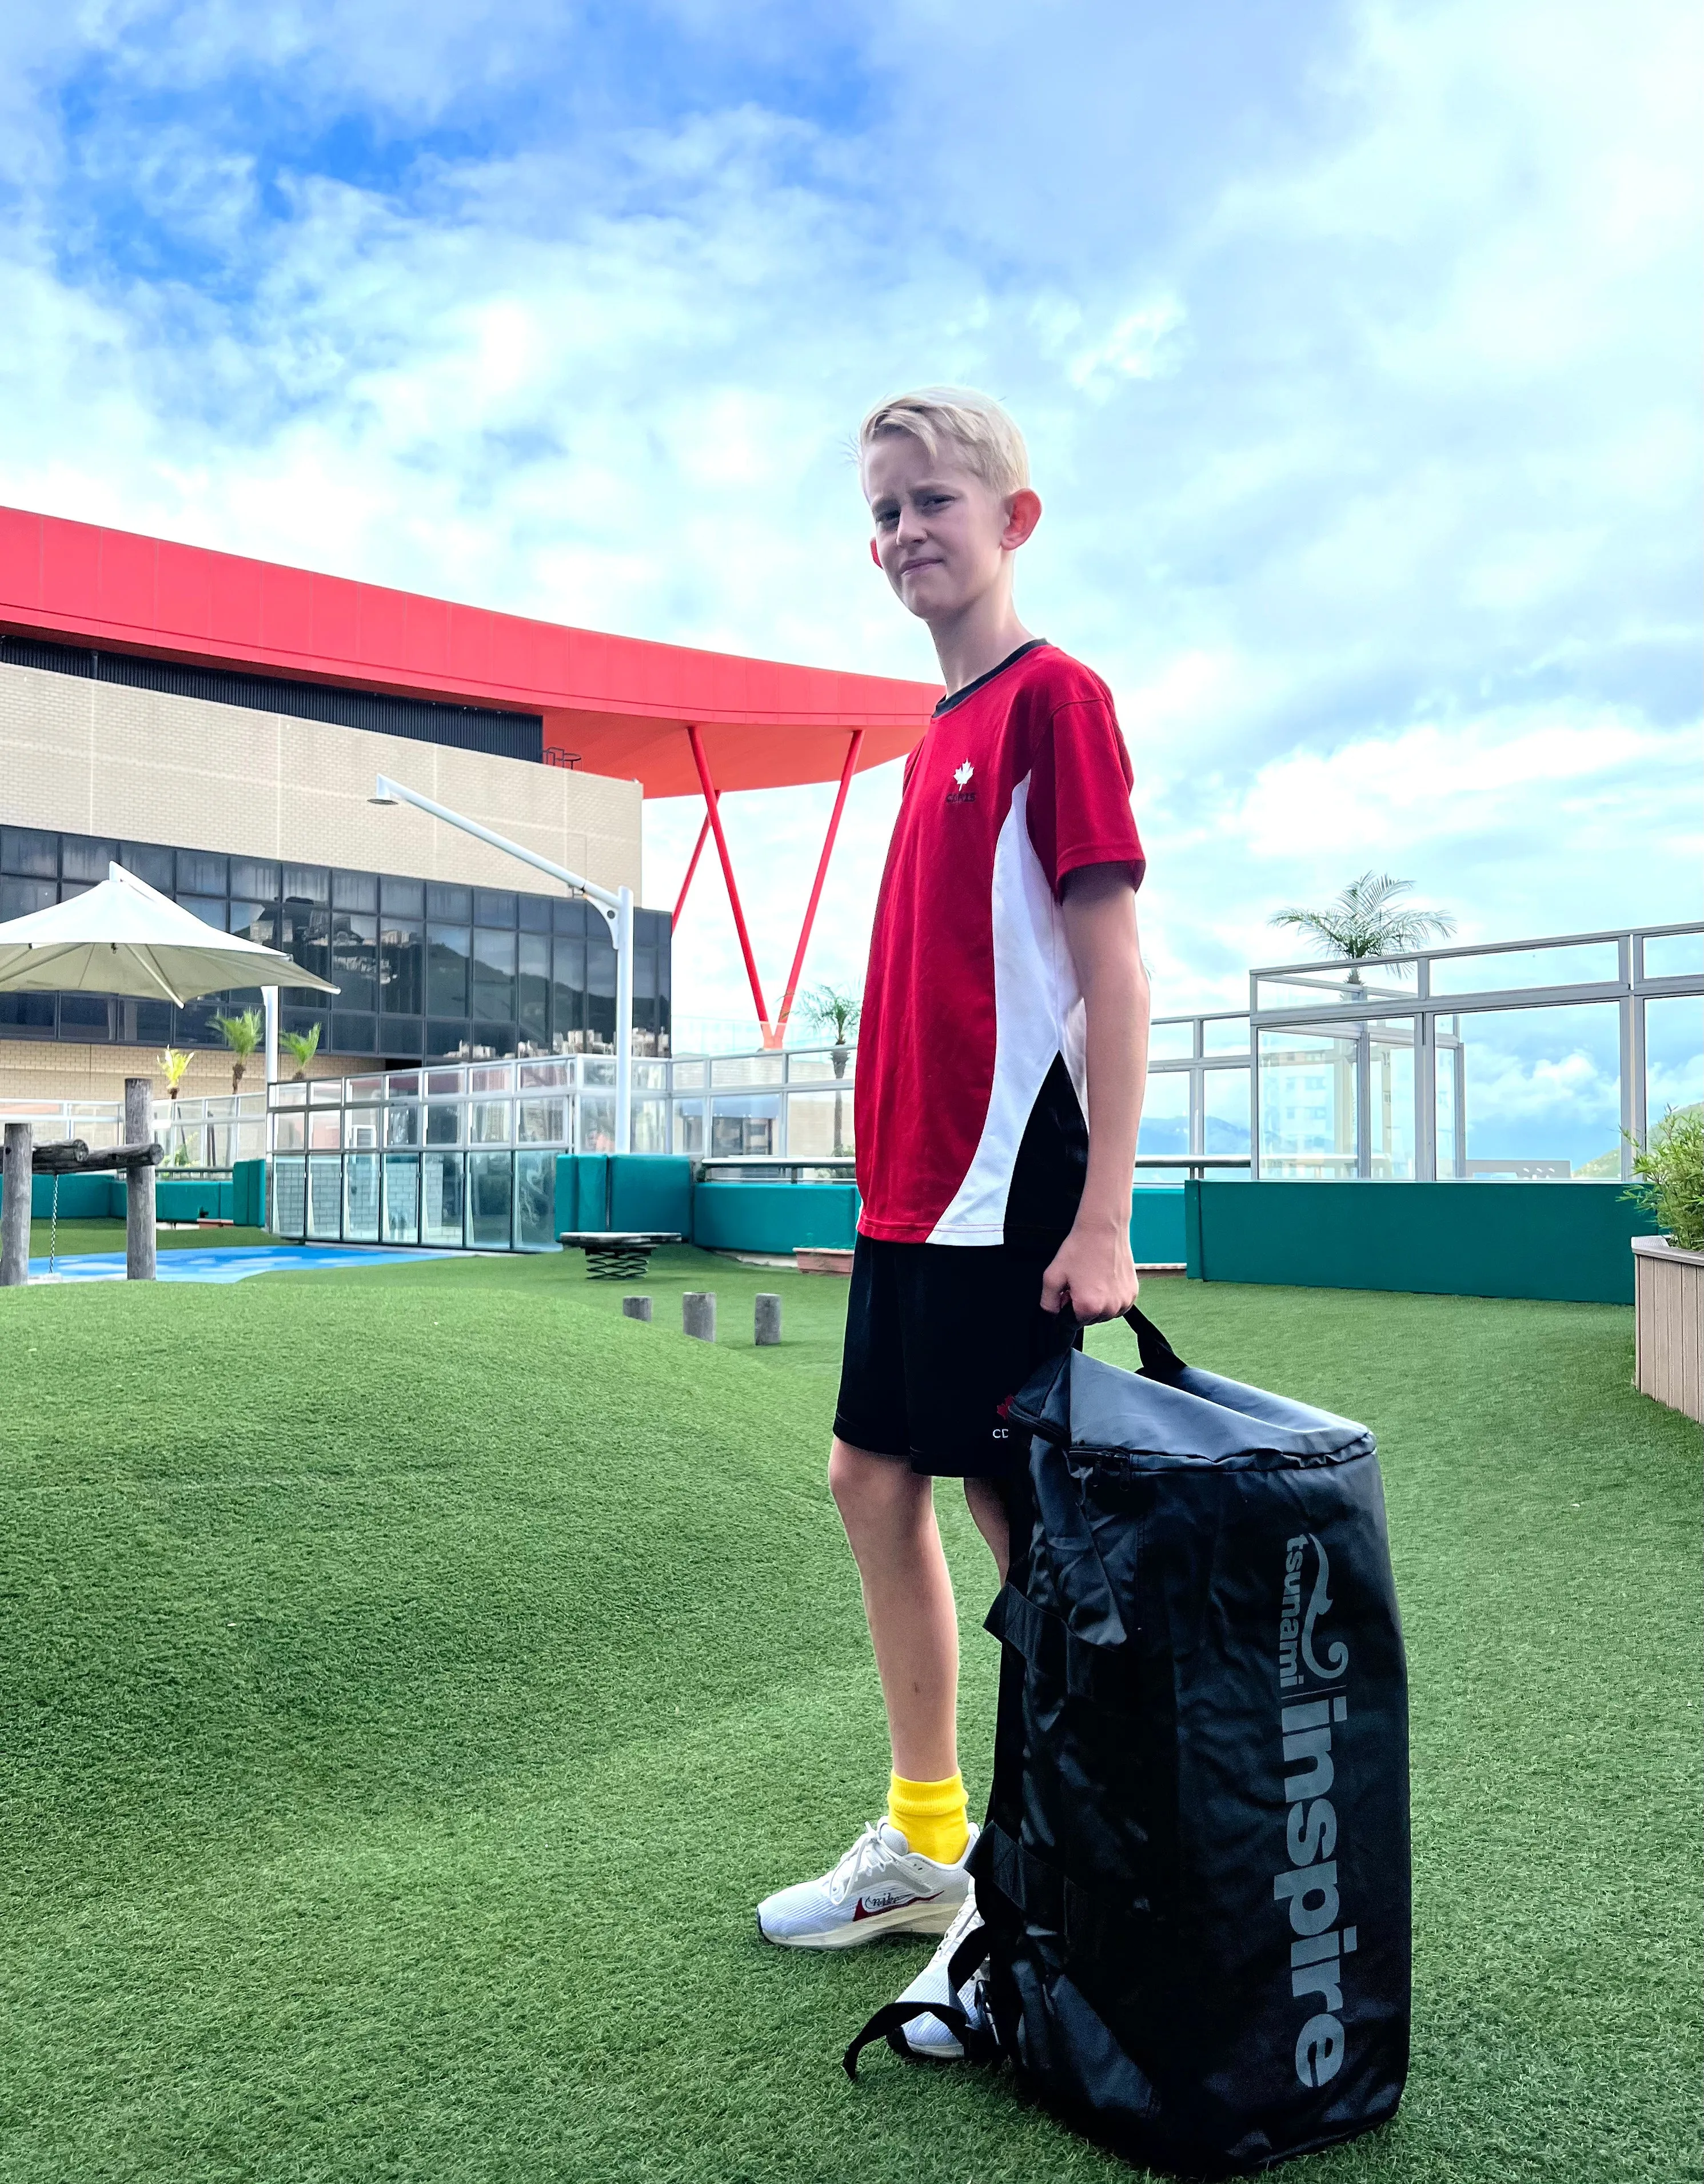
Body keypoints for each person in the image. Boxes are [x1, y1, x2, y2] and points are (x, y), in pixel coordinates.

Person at [756, 387, 1151, 2056]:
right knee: (869, 1479)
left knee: (1032, 1550)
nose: (905, 531)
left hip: (1014, 1201)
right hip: (911, 1204)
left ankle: (1056, 1903)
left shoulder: (1057, 698)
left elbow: (1113, 968)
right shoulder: (930, 742)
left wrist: (1107, 1216)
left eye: (933, 502)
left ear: (1014, 518)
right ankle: (929, 1841)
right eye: (883, 511)